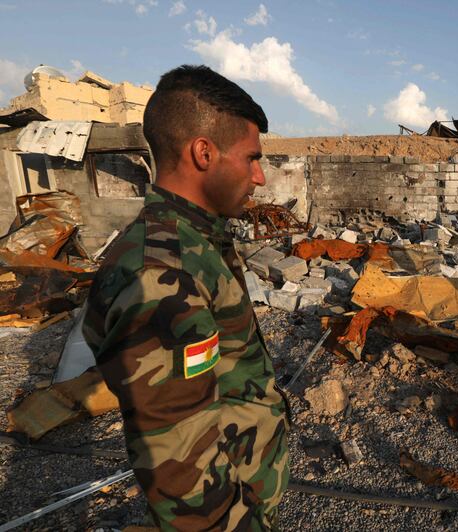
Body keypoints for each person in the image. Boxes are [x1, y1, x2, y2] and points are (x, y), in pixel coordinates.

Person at [82, 65, 289, 530]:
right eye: (251, 158)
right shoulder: (160, 273)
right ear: (203, 152)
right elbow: (178, 461)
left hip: (245, 482)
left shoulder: (194, 240)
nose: (259, 177)